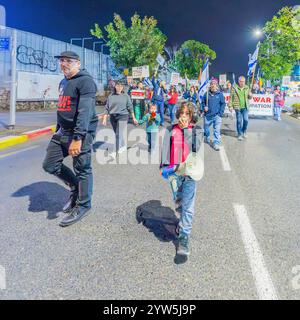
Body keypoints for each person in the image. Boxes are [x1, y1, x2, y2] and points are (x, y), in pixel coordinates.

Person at [42, 51, 98, 227]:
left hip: (80, 133)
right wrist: (57, 128)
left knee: (82, 169)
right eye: (61, 61)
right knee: (50, 165)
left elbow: (85, 111)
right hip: (62, 132)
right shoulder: (63, 81)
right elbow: (62, 108)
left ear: (78, 63)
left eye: (68, 61)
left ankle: (84, 205)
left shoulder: (85, 81)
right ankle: (75, 188)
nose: (63, 64)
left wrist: (78, 137)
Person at [160, 102, 203, 257]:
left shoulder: (196, 130)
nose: (184, 116)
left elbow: (195, 147)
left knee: (188, 206)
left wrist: (186, 130)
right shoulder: (171, 129)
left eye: (187, 114)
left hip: (190, 172)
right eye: (182, 113)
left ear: (192, 116)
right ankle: (181, 220)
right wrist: (163, 166)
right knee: (178, 202)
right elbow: (165, 147)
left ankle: (184, 236)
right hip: (174, 172)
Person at [102, 81, 138, 158]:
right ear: (115, 87)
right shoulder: (111, 96)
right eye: (118, 86)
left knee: (118, 134)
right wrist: (104, 118)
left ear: (122, 87)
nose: (119, 87)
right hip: (113, 117)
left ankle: (114, 151)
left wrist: (134, 118)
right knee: (118, 134)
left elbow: (130, 107)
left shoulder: (126, 96)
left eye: (121, 86)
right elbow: (107, 107)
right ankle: (123, 146)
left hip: (123, 116)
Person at [201, 79, 225, 151]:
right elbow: (202, 102)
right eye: (211, 84)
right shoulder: (207, 94)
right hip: (208, 115)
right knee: (206, 128)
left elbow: (223, 104)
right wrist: (204, 108)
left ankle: (216, 143)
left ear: (216, 85)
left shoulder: (220, 94)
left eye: (214, 84)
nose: (213, 85)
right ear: (210, 85)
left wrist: (220, 113)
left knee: (216, 130)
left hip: (217, 115)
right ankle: (207, 136)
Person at [229, 76, 253, 141]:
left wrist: (250, 95)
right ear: (238, 81)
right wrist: (230, 106)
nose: (242, 83)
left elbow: (249, 97)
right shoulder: (234, 87)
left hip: (245, 107)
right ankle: (239, 134)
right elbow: (231, 97)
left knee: (246, 120)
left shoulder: (247, 87)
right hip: (238, 107)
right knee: (239, 121)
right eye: (241, 81)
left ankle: (244, 131)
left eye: (243, 81)